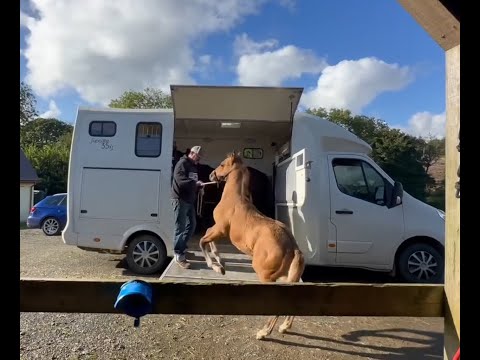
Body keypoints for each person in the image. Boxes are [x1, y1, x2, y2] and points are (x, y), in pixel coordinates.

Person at [171, 145, 205, 269]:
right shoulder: (182, 164)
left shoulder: (193, 167)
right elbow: (180, 181)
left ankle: (182, 248)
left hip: (190, 201)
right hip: (180, 200)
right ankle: (178, 255)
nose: (199, 159)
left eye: (200, 157)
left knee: (192, 226)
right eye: (198, 156)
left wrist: (199, 187)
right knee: (180, 227)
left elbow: (192, 182)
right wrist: (194, 184)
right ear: (192, 153)